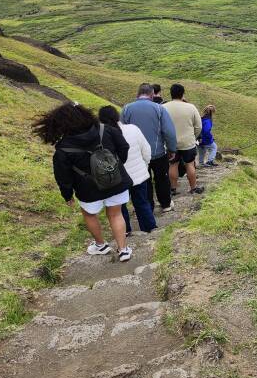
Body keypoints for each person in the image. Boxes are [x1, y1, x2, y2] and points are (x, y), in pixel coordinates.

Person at [34, 102, 134, 262]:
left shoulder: (63, 148)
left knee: (89, 214)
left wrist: (67, 195)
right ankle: (123, 250)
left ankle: (100, 245)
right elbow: (123, 147)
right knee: (116, 214)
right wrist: (116, 166)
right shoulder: (105, 129)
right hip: (115, 181)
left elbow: (63, 175)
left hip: (88, 189)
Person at [99, 106, 157, 236]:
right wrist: (144, 166)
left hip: (117, 179)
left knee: (120, 207)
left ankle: (125, 232)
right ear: (117, 116)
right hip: (139, 176)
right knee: (142, 203)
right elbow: (146, 150)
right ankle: (150, 229)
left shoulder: (101, 136)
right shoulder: (133, 129)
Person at [122, 83, 177, 213]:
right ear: (152, 95)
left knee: (143, 181)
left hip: (136, 155)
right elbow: (169, 131)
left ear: (138, 93)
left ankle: (147, 207)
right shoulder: (159, 109)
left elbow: (121, 131)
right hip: (157, 152)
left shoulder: (126, 109)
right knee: (161, 179)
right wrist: (172, 149)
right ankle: (165, 204)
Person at [164, 84, 204, 195]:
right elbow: (199, 126)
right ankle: (193, 187)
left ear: (171, 93)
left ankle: (173, 189)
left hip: (171, 143)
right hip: (188, 142)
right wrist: (193, 137)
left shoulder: (163, 107)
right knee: (190, 164)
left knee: (173, 165)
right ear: (183, 94)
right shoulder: (191, 107)